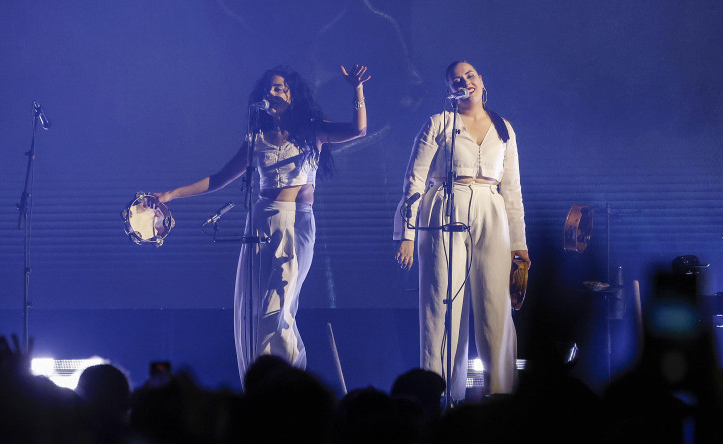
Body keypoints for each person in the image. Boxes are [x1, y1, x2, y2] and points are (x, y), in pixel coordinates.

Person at [152, 65, 370, 384]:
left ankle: (289, 378)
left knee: (278, 306)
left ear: (293, 95)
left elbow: (358, 130)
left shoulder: (313, 130)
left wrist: (357, 91)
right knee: (257, 308)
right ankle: (265, 381)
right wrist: (172, 194)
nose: (273, 93)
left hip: (297, 222)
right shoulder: (256, 138)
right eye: (268, 89)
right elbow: (219, 178)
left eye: (280, 88)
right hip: (260, 221)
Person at [392, 61, 529, 403]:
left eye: (470, 75)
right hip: (444, 209)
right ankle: (437, 396)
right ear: (450, 90)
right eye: (456, 79)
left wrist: (519, 245)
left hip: (491, 210)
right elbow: (415, 179)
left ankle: (501, 394)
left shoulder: (503, 128)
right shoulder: (439, 123)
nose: (464, 81)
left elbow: (512, 189)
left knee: (495, 305)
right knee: (441, 305)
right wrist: (407, 233)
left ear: (482, 80)